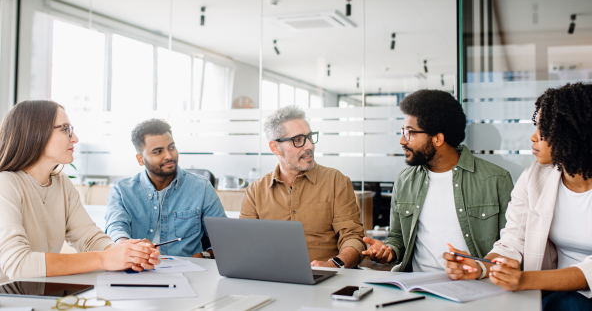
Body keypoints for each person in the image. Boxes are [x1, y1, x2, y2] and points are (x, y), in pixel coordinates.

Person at [443, 82, 592, 311]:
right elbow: (513, 241)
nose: (533, 137)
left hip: (563, 297)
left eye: (545, 129)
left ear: (574, 131)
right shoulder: (534, 177)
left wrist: (525, 280)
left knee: (568, 304)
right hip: (554, 295)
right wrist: (480, 266)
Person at [0, 100, 160, 283]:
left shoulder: (61, 183)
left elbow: (89, 239)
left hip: (37, 294)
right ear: (35, 132)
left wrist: (127, 253)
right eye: (65, 129)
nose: (74, 138)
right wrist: (105, 258)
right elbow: (17, 264)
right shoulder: (5, 183)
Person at [363, 89, 513, 273]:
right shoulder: (405, 180)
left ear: (438, 138)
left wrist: (481, 270)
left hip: (476, 285)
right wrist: (389, 251)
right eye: (403, 131)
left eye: (410, 133)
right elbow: (397, 238)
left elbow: (510, 246)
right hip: (417, 285)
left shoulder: (496, 180)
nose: (402, 140)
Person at [240, 106, 365, 268]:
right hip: (272, 277)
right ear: (275, 147)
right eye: (298, 140)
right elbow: (245, 243)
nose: (310, 146)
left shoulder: (336, 181)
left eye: (310, 137)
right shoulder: (255, 191)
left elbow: (353, 236)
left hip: (327, 278)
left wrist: (336, 264)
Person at [105, 119, 226, 258]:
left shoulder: (201, 187)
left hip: (189, 271)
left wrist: (204, 256)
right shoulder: (121, 190)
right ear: (140, 159)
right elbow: (115, 229)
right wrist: (127, 247)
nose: (169, 156)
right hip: (137, 269)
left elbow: (224, 239)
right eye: (158, 152)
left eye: (171, 147)